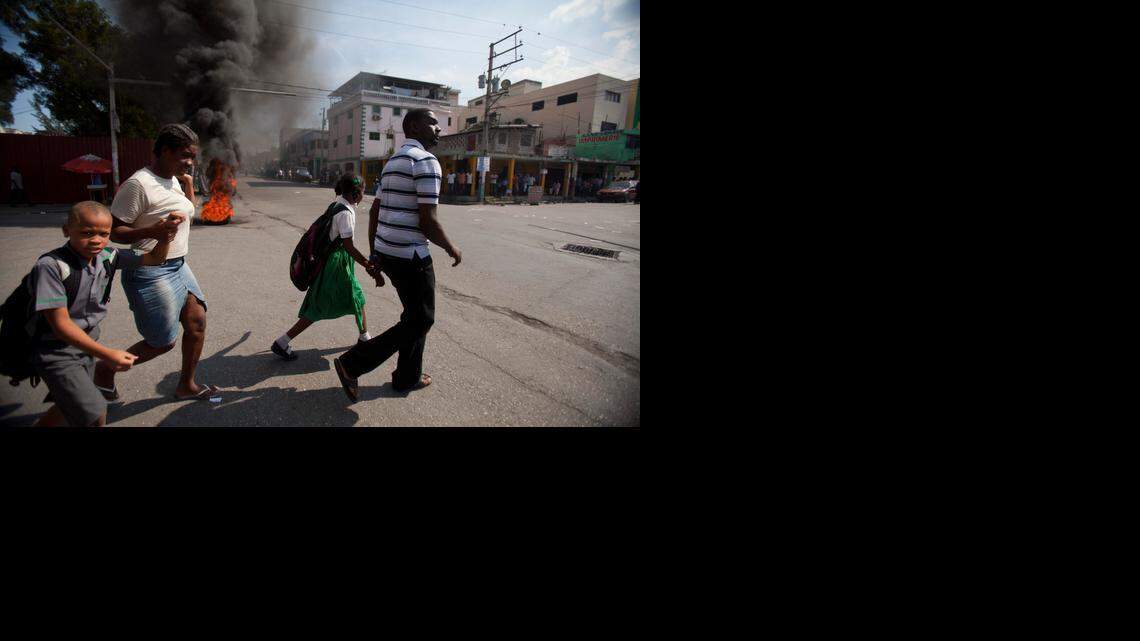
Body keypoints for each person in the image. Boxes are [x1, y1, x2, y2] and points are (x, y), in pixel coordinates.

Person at [332, 108, 461, 402]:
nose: (438, 129)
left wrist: (376, 252)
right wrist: (451, 247)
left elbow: (377, 210)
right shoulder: (427, 161)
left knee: (413, 315)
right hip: (411, 256)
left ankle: (407, 377)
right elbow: (428, 221)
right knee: (421, 319)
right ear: (414, 127)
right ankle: (353, 364)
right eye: (432, 123)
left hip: (389, 253)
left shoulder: (392, 162)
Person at [29, 201, 183, 426]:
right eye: (86, 233)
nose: (96, 240)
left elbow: (154, 259)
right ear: (66, 230)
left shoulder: (108, 256)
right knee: (95, 411)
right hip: (56, 350)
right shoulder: (51, 266)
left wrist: (163, 236)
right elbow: (60, 325)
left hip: (85, 345)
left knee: (68, 406)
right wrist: (107, 354)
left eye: (103, 234)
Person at [96, 123, 219, 402]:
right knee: (162, 343)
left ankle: (186, 385)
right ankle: (105, 369)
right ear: (164, 151)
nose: (190, 161)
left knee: (197, 322)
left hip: (178, 265)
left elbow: (183, 210)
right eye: (184, 155)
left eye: (192, 156)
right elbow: (113, 231)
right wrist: (152, 232)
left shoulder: (175, 178)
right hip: (150, 269)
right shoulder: (138, 185)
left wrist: (188, 186)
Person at [272, 173, 372, 360]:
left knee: (355, 296)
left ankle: (364, 336)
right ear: (357, 194)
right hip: (336, 265)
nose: (364, 196)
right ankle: (282, 341)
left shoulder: (337, 204)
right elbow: (348, 246)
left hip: (333, 262)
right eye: (363, 192)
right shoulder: (346, 213)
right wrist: (368, 264)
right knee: (320, 306)